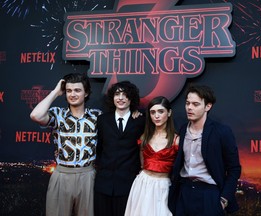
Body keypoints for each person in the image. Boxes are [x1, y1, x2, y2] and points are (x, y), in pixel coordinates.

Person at [30, 73, 102, 216]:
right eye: (69, 91)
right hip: (61, 175)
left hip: (88, 175)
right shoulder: (58, 114)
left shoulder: (97, 116)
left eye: (77, 90)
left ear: (86, 93)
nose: (72, 94)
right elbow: (35, 116)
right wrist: (55, 92)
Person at [168, 84, 241, 216]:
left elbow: (234, 168)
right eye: (187, 103)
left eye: (195, 104)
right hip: (184, 192)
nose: (189, 107)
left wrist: (223, 199)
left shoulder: (222, 132)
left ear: (208, 106)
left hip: (209, 195)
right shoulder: (183, 129)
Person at [94, 81, 145, 216]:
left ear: (131, 98)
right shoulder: (102, 120)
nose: (120, 98)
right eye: (117, 94)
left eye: (125, 94)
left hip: (128, 184)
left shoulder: (141, 120)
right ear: (112, 97)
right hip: (103, 184)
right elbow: (99, 148)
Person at [124, 96, 179, 216]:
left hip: (163, 186)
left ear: (169, 113)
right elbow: (142, 162)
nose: (156, 116)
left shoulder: (176, 140)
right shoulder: (144, 137)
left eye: (161, 111)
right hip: (142, 183)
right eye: (153, 112)